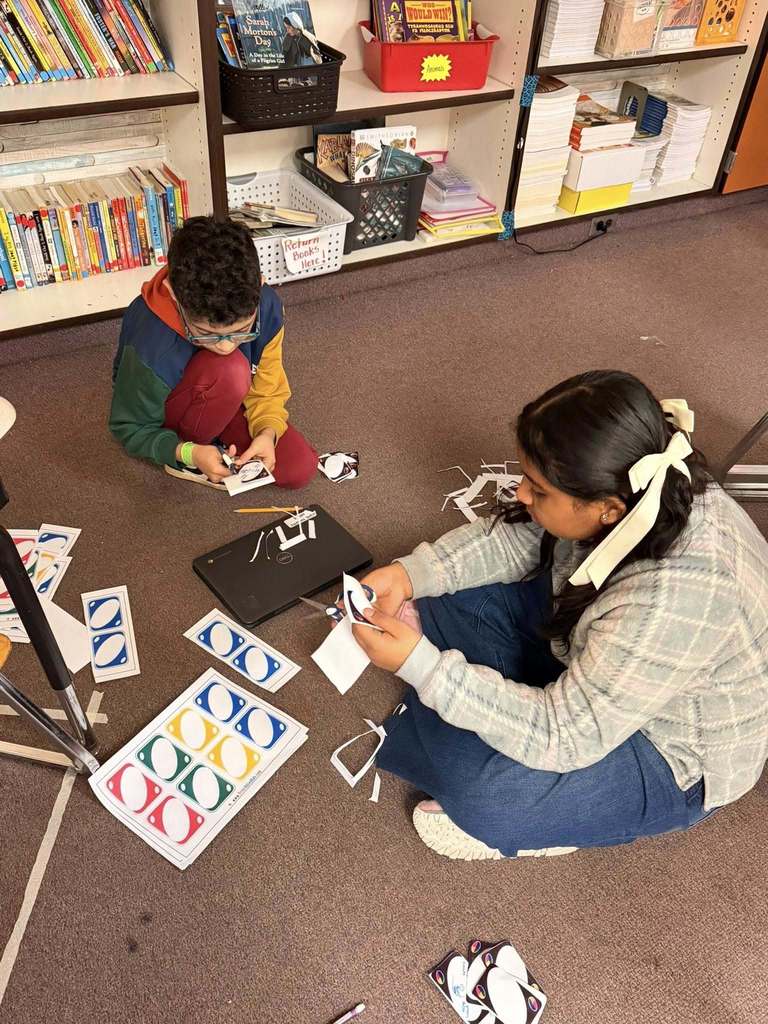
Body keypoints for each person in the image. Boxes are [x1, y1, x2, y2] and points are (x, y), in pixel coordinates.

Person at [351, 371, 768, 860]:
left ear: (608, 510)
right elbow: (523, 535)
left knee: (486, 796)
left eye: (539, 490)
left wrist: (422, 667)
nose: (520, 494)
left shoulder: (673, 598)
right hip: (604, 647)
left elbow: (564, 735)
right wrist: (409, 574)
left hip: (669, 750)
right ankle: (515, 729)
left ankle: (552, 818)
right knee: (437, 597)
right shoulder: (640, 484)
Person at [109, 216, 318, 490]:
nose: (226, 346)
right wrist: (187, 452)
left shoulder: (267, 307)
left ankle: (217, 435)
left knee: (299, 467)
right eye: (205, 333)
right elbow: (129, 427)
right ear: (174, 295)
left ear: (260, 285)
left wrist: (267, 432)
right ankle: (193, 454)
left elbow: (268, 390)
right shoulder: (152, 342)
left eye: (242, 330)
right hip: (171, 410)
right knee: (230, 368)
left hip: (225, 395)